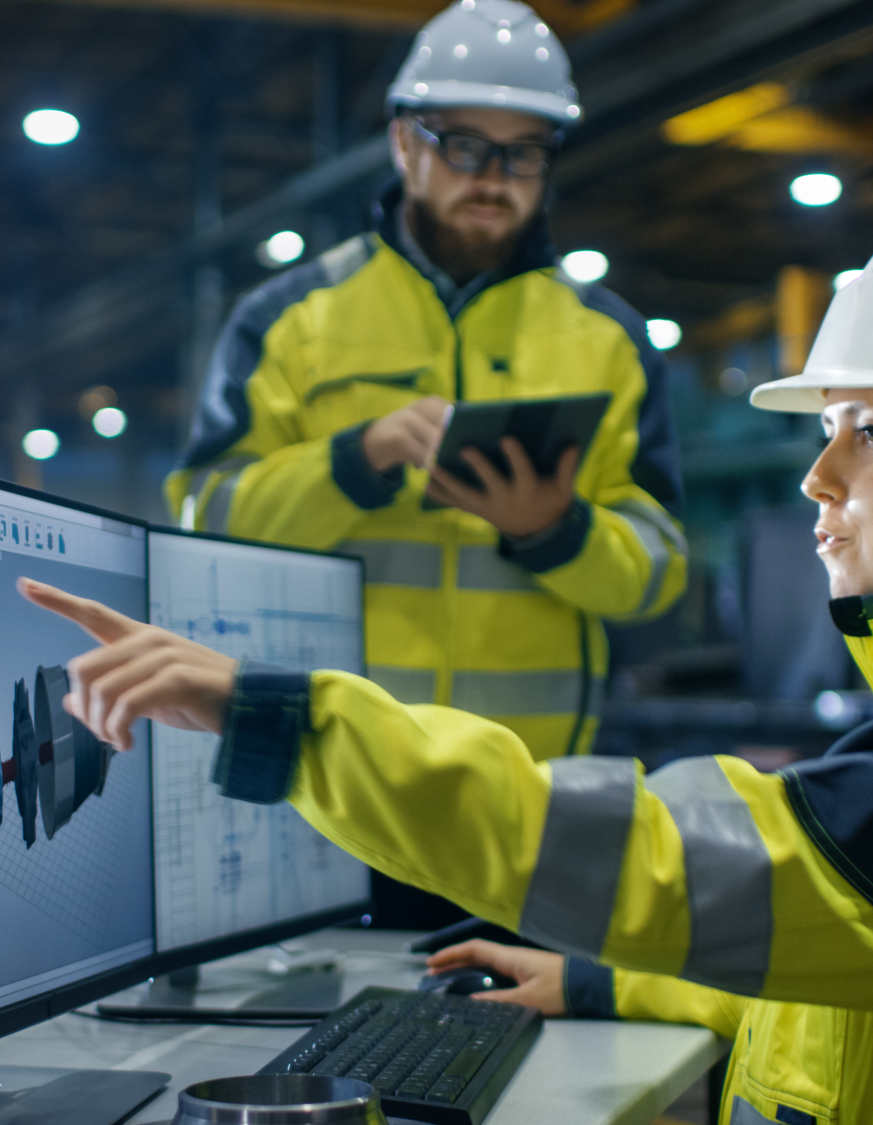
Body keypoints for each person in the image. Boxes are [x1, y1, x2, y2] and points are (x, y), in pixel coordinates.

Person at [27, 225, 873, 1124]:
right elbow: (871, 952)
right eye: (829, 433)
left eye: (870, 432)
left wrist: (281, 720)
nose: (819, 479)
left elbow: (677, 855)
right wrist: (607, 982)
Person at [165, 0, 686, 765]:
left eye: (526, 152)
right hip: (335, 775)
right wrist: (355, 461)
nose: (496, 178)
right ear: (405, 143)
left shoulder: (611, 341)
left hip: (527, 790)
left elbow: (660, 573)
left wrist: (556, 529)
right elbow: (202, 522)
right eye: (466, 146)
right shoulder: (289, 319)